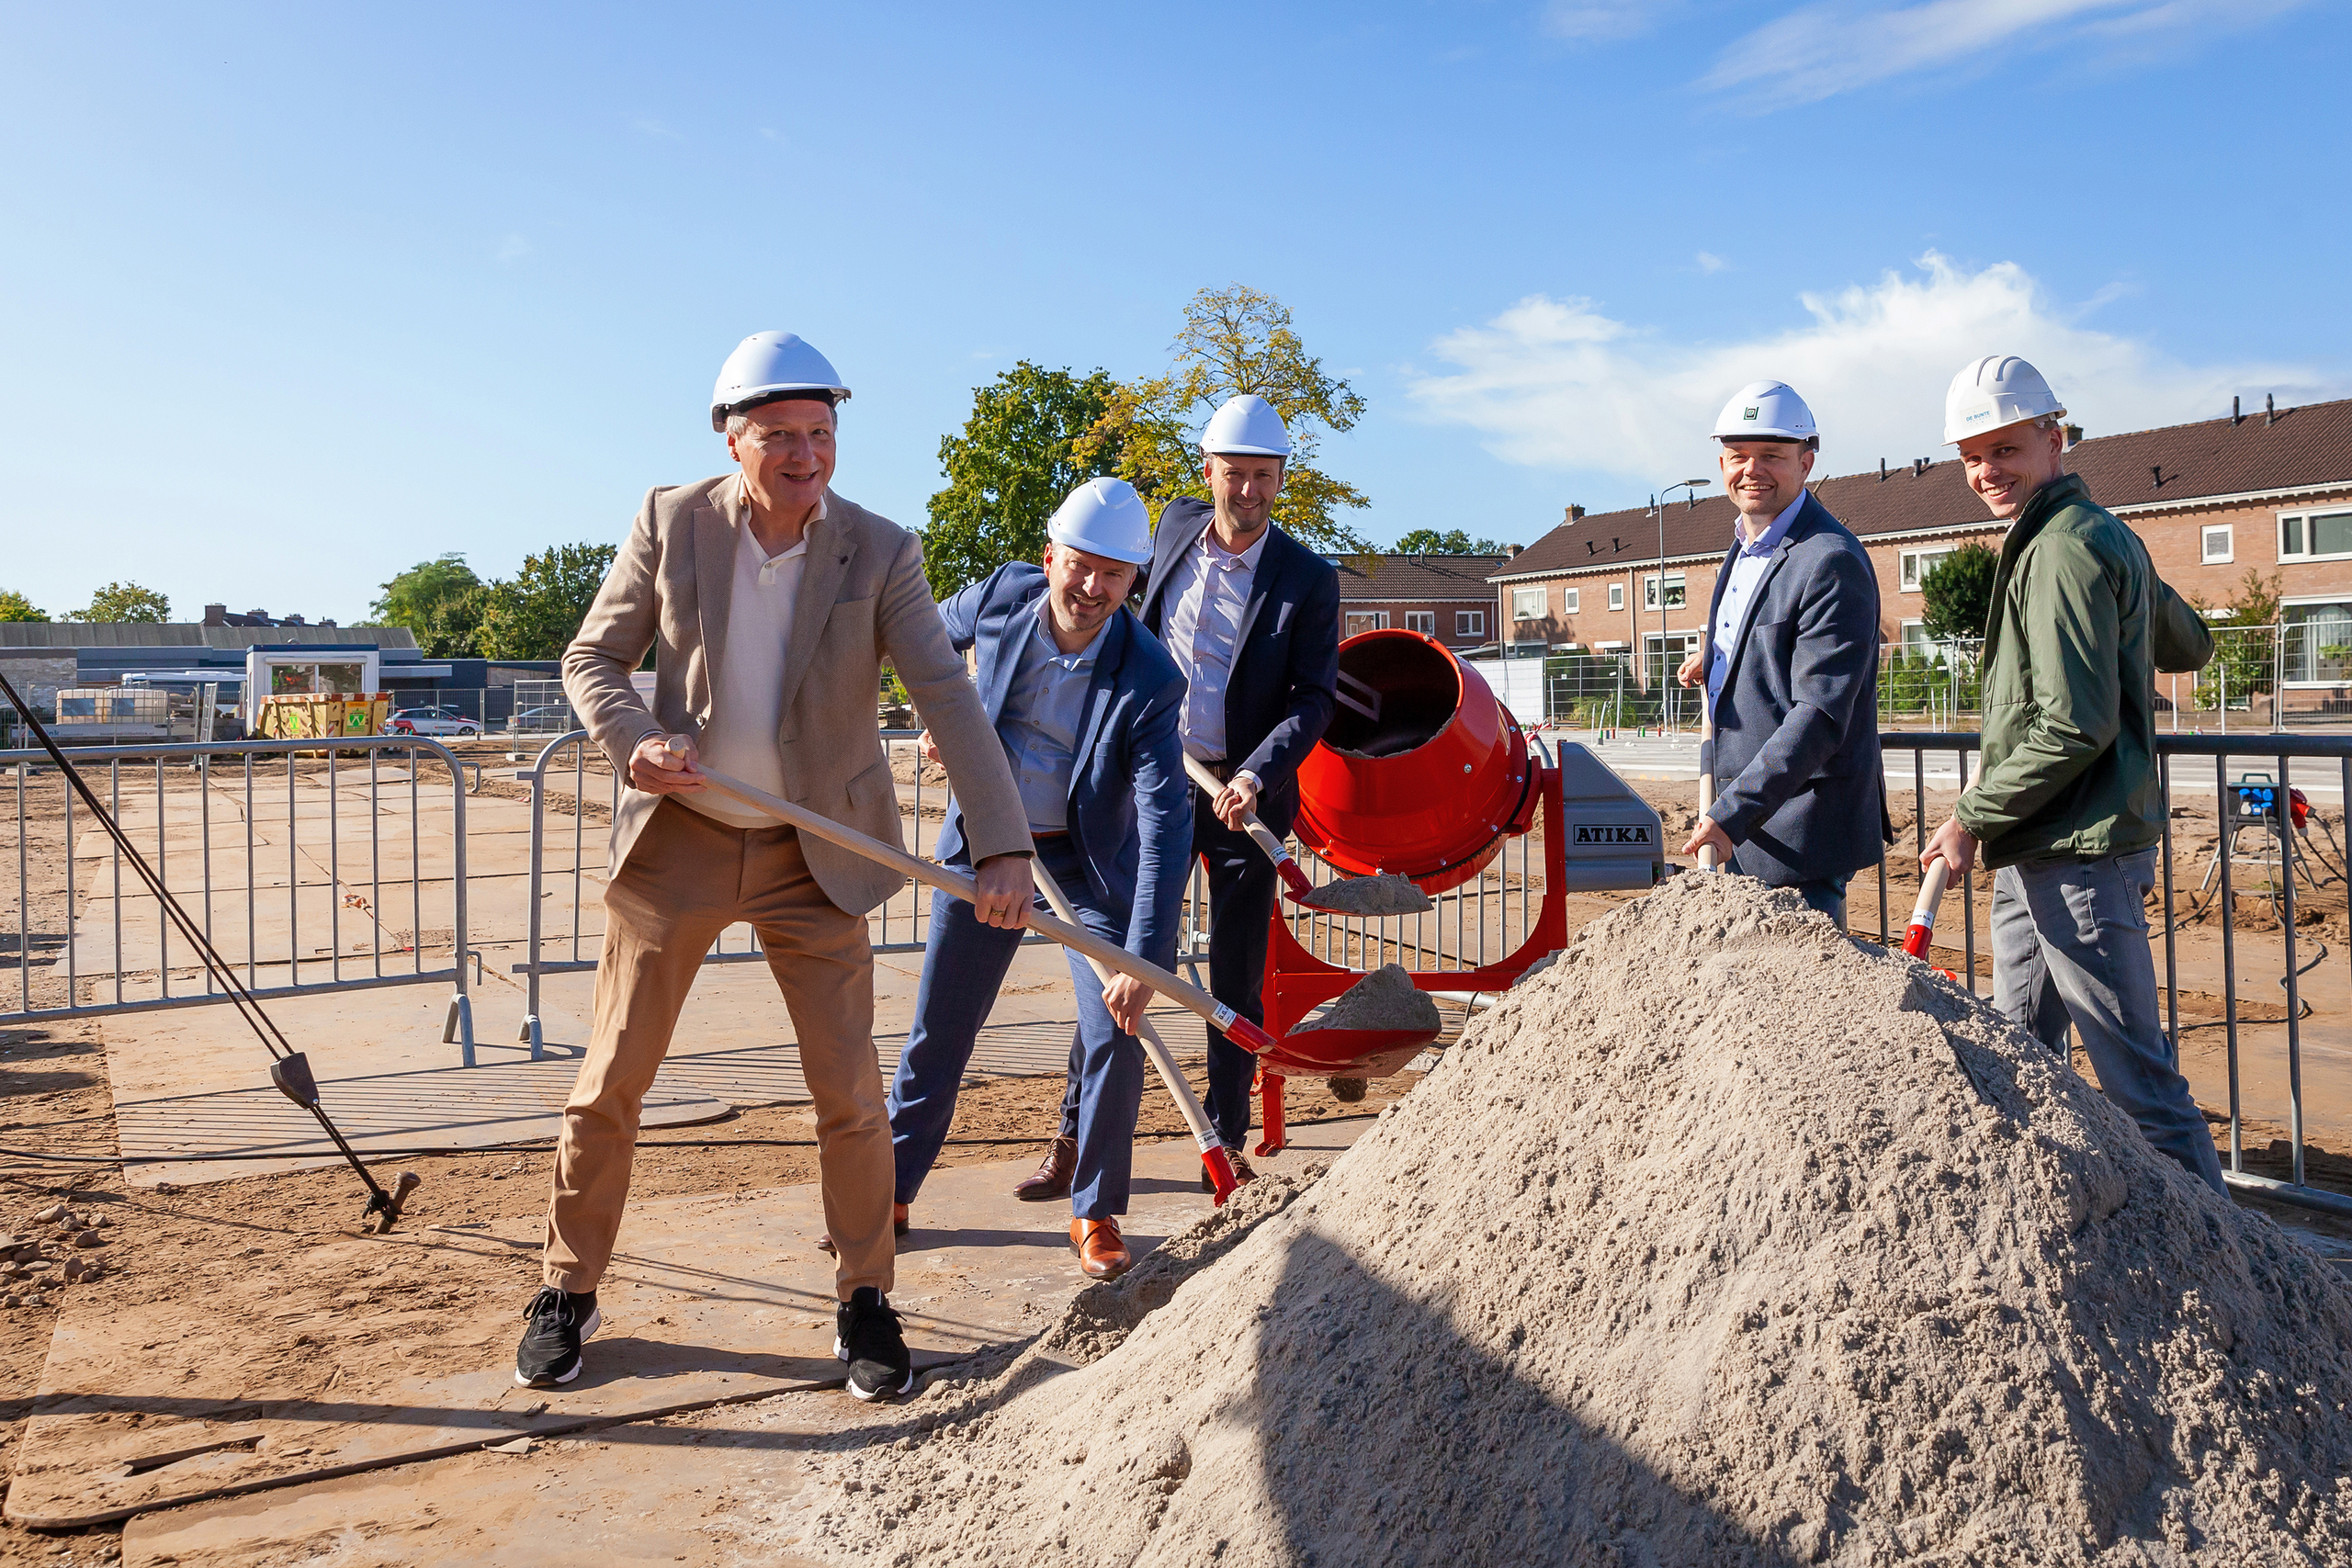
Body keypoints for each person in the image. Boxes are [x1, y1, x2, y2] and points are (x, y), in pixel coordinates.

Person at [523, 331, 1035, 1401]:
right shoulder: (671, 523)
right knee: (611, 1082)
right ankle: (567, 1290)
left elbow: (946, 694)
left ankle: (864, 1301)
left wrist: (1000, 845)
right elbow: (591, 658)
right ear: (731, 437)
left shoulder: (880, 549)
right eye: (780, 436)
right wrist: (633, 739)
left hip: (818, 851)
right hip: (685, 843)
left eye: (821, 433)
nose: (805, 455)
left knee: (848, 1094)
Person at [1921, 355, 2227, 1195]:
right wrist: (2129, 580)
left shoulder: (2061, 549)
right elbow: (2190, 644)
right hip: (2049, 843)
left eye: (2005, 448)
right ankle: (2047, 1236)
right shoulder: (2096, 535)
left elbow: (2073, 723)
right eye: (1972, 456)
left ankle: (2238, 1281)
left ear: (2053, 438)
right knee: (2018, 1053)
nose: (1987, 471)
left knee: (2142, 1089)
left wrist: (1971, 814)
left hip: (2078, 849)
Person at [885, 479, 1190, 1280]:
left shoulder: (1152, 678)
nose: (1092, 589)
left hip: (1080, 862)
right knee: (941, 1027)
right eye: (1080, 565)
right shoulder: (1001, 597)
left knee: (1113, 1027)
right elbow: (915, 633)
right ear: (1051, 556)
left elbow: (1163, 826)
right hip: (986, 843)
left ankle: (1094, 1210)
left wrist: (1142, 957)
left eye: (1115, 574)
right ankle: (887, 1189)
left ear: (1135, 582)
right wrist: (939, 710)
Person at [1115, 394, 1338, 1180]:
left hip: (1242, 802)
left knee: (1236, 975)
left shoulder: (1306, 579)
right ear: (1207, 471)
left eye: (1264, 476)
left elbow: (1313, 700)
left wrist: (1253, 773)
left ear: (1282, 478)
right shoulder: (1171, 528)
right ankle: (1080, 1136)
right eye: (1234, 473)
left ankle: (1227, 1135)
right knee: (1124, 954)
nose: (1248, 490)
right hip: (1159, 786)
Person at [1678, 380, 1886, 926]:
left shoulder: (1829, 560)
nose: (1752, 470)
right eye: (1738, 456)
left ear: (1807, 461)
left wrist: (1732, 814)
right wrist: (1722, 659)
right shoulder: (1745, 546)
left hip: (1796, 828)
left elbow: (1819, 713)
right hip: (1745, 821)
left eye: (1772, 455)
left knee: (1801, 999)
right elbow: (1772, 637)